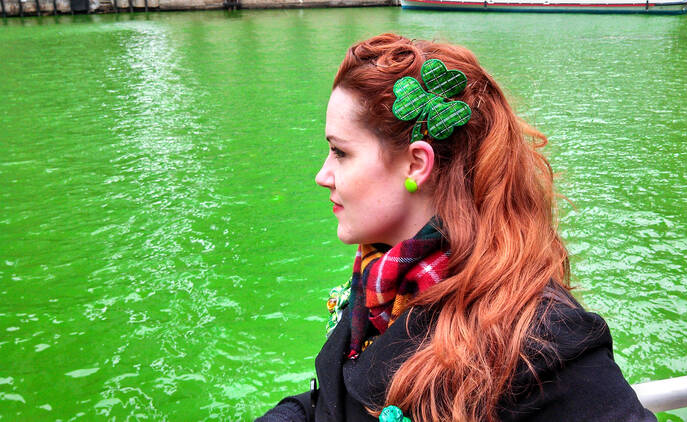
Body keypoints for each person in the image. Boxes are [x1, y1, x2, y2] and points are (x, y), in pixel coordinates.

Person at [256, 33, 656, 422]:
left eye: (340, 152)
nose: (322, 175)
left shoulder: (538, 340)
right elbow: (333, 399)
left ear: (416, 164)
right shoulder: (383, 275)